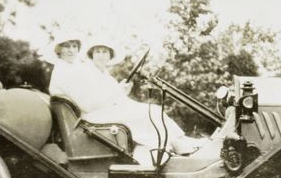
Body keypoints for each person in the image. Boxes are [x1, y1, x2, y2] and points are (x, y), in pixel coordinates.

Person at [46, 34, 203, 157]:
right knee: (150, 112)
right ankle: (175, 144)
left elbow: (98, 96)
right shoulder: (65, 72)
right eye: (66, 46)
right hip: (91, 118)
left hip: (94, 113)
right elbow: (88, 103)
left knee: (151, 110)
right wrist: (117, 93)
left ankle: (176, 142)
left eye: (74, 46)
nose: (71, 50)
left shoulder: (70, 70)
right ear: (58, 50)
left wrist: (119, 93)